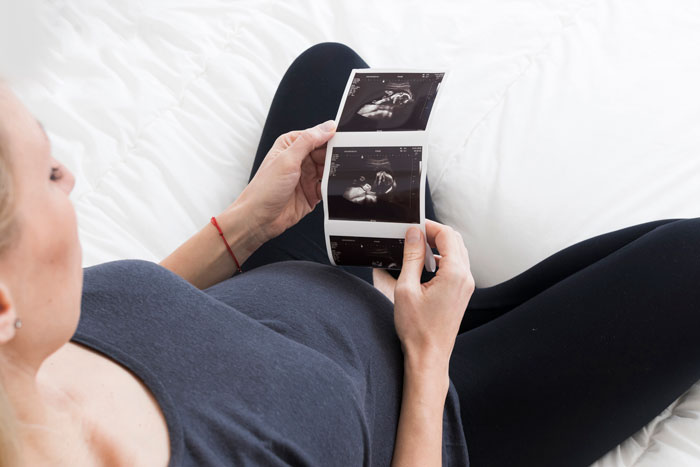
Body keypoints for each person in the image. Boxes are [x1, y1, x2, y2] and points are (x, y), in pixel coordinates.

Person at [0, 42, 698, 467]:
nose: (72, 177)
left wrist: (247, 225)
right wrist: (426, 360)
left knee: (332, 73)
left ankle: (423, 273)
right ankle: (456, 304)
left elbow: (135, 318)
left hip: (297, 285)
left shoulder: (24, 341)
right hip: (440, 409)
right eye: (51, 176)